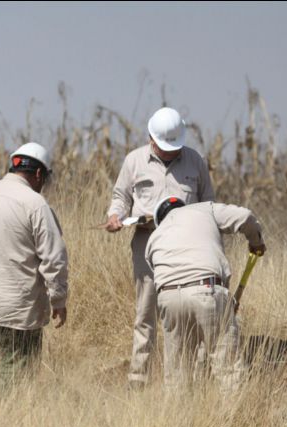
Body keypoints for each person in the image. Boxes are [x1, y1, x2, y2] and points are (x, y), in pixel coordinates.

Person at [104, 107, 215, 388]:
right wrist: (115, 215)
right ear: (151, 138)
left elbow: (208, 204)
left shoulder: (196, 162)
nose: (168, 152)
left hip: (188, 245)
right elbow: (121, 196)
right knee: (146, 311)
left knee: (190, 310)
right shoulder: (133, 161)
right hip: (147, 243)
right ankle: (139, 378)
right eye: (163, 147)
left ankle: (192, 377)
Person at [0, 142, 68, 381]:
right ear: (39, 174)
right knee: (16, 370)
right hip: (17, 305)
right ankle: (5, 416)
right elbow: (53, 257)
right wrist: (58, 299)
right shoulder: (35, 203)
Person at [145, 196, 265, 391]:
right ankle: (235, 420)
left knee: (177, 377)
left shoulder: (153, 239)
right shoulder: (204, 209)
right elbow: (245, 217)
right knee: (229, 371)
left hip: (168, 298)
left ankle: (176, 419)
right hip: (207, 290)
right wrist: (256, 242)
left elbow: (166, 277)